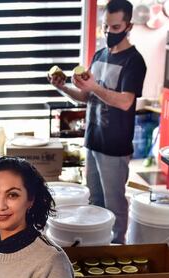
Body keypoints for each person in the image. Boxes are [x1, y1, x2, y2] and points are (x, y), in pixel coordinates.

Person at [49, 0, 146, 243]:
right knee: (94, 201)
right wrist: (63, 88)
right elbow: (85, 96)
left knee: (114, 202)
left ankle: (116, 248)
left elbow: (125, 101)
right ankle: (97, 246)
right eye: (105, 27)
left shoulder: (134, 61)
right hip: (93, 140)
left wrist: (94, 86)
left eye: (115, 28)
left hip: (115, 145)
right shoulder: (99, 55)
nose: (108, 33)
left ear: (128, 25)